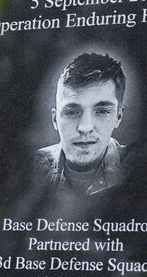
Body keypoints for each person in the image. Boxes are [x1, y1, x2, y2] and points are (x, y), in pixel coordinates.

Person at [33, 52, 130, 196]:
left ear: (118, 116)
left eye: (102, 111)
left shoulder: (142, 170)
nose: (85, 127)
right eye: (72, 112)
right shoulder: (27, 170)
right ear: (55, 119)